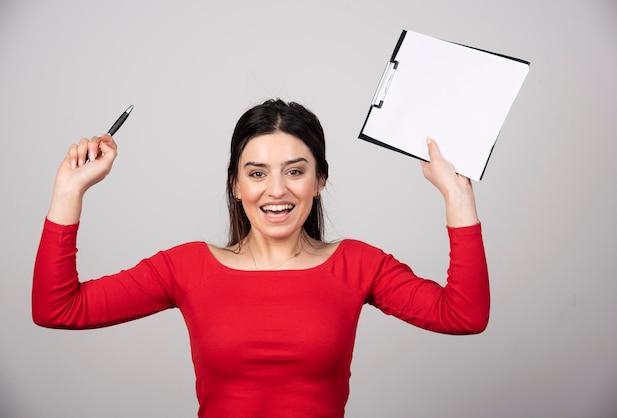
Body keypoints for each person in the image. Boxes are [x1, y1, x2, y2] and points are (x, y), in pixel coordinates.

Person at [33, 99, 489, 417]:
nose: (276, 190)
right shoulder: (186, 267)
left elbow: (464, 315)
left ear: (320, 181)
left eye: (295, 171)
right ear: (235, 184)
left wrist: (457, 194)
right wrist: (69, 190)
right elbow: (58, 308)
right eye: (257, 173)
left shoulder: (358, 264)